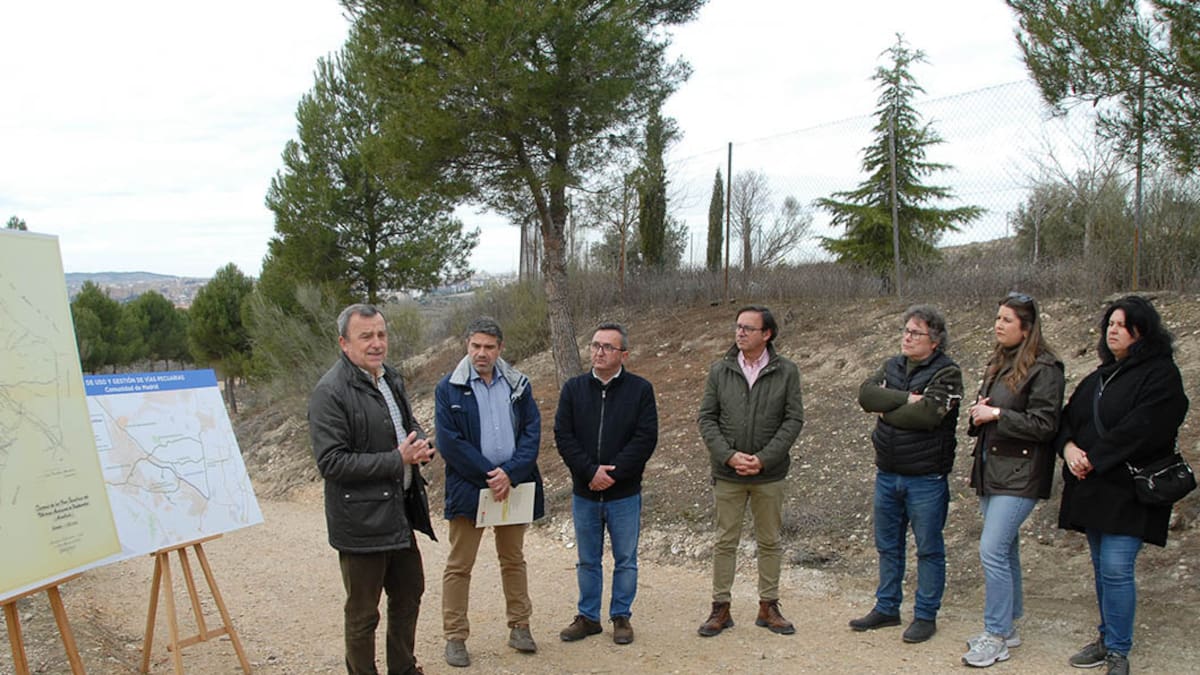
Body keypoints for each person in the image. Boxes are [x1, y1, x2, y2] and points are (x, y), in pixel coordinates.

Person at [1057, 296, 1188, 675]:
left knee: (1116, 568)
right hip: (1092, 488)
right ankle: (1106, 637)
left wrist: (1093, 457)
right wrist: (1068, 450)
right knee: (1102, 569)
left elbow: (1146, 426)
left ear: (1142, 330)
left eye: (1121, 324)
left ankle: (1117, 649)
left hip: (1129, 490)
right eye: (1109, 324)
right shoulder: (1099, 377)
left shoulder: (1161, 375)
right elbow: (1067, 419)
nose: (1112, 330)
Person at [308, 303, 438, 675]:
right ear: (344, 343)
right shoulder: (329, 392)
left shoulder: (390, 377)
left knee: (409, 595)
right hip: (361, 522)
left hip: (399, 514)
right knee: (363, 613)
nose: (376, 343)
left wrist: (422, 445)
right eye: (366, 336)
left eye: (381, 334)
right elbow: (332, 463)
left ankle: (403, 668)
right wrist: (398, 459)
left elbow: (408, 425)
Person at [960, 293, 1065, 668]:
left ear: (1027, 328)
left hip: (1021, 475)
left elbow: (1045, 425)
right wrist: (979, 415)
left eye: (1006, 320)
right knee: (1005, 549)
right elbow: (987, 413)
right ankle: (1010, 624)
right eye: (998, 318)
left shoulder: (1046, 368)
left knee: (991, 550)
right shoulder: (999, 363)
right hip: (992, 470)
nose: (998, 325)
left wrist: (997, 413)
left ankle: (996, 634)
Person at [849, 304, 963, 644]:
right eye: (906, 331)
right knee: (888, 545)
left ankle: (926, 615)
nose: (908, 337)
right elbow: (866, 395)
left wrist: (887, 412)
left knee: (928, 548)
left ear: (935, 340)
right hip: (887, 472)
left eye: (916, 333)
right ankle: (887, 607)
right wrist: (902, 399)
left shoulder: (948, 373)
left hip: (926, 477)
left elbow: (928, 416)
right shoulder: (892, 366)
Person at [435, 316, 545, 668]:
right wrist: (490, 475)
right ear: (467, 346)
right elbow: (450, 443)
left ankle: (520, 626)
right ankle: (455, 637)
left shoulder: (518, 384)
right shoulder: (448, 388)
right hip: (470, 488)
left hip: (513, 485)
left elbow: (532, 432)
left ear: (501, 348)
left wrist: (510, 474)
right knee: (459, 565)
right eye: (476, 346)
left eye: (489, 347)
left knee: (513, 559)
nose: (481, 353)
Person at [697, 305, 804, 637]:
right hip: (728, 474)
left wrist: (764, 458)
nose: (740, 332)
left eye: (748, 328)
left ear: (767, 334)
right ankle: (720, 608)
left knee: (770, 541)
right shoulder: (720, 370)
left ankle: (768, 606)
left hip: (768, 474)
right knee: (725, 541)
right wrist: (729, 456)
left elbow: (793, 420)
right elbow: (707, 418)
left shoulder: (787, 371)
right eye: (738, 326)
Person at [555, 322, 658, 646]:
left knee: (625, 558)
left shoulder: (640, 390)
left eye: (607, 347)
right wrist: (590, 472)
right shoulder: (573, 389)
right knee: (587, 559)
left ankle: (621, 616)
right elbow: (564, 435)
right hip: (585, 492)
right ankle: (588, 617)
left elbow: (645, 438)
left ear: (623, 354)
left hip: (624, 494)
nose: (599, 352)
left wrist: (613, 474)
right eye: (595, 345)